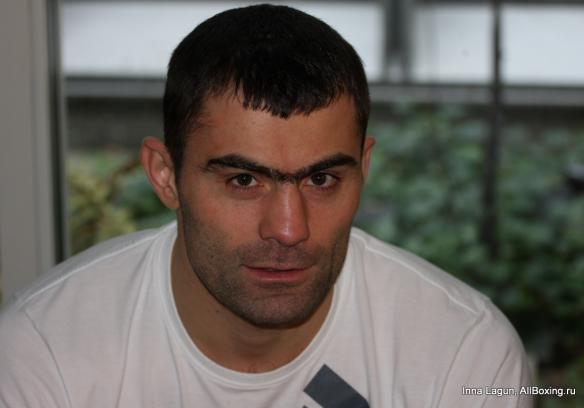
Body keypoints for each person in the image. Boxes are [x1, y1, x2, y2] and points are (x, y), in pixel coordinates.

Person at [0, 4, 532, 407]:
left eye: (321, 179)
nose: (289, 229)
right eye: (243, 180)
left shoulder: (462, 354)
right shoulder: (43, 350)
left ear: (363, 169)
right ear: (165, 175)